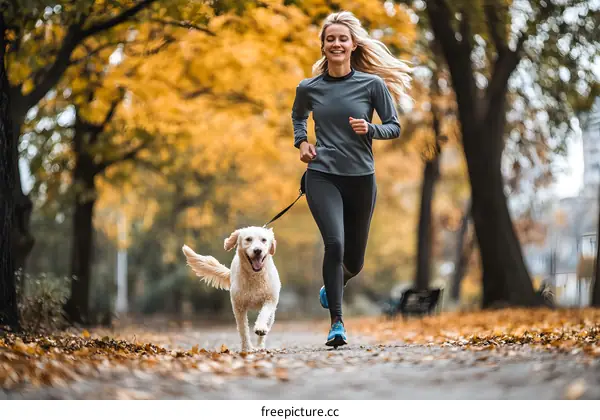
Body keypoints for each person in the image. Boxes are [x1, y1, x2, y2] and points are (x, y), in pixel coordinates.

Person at [291, 10, 412, 347]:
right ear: (323, 46)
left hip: (361, 178)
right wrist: (302, 143)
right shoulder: (308, 87)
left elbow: (394, 126)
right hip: (322, 174)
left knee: (355, 262)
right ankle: (337, 324)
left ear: (353, 44)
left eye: (342, 38)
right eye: (330, 39)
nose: (336, 44)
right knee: (335, 244)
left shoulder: (372, 85)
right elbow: (298, 116)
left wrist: (370, 129)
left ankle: (332, 285)